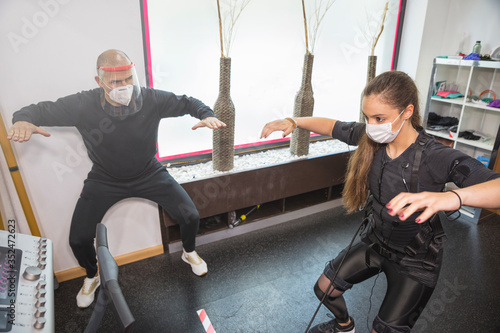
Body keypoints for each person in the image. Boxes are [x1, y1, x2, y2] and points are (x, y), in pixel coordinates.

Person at [261, 71, 500, 333]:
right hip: (375, 241)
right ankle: (344, 327)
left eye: (379, 118)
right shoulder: (372, 137)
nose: (371, 125)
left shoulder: (434, 156)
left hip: (415, 260)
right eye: (367, 117)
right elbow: (333, 126)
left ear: (407, 112)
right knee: (324, 289)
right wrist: (293, 121)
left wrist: (452, 197)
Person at [7, 49, 226, 308]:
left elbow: (187, 101)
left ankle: (189, 253)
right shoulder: (82, 104)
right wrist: (22, 120)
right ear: (99, 81)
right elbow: (38, 110)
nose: (124, 86)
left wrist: (206, 114)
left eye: (127, 79)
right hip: (105, 178)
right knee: (77, 238)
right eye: (115, 82)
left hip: (149, 172)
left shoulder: (151, 99)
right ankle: (92, 275)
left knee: (190, 215)